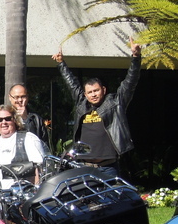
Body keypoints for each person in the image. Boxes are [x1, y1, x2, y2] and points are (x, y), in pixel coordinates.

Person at [52, 39, 141, 176]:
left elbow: (130, 82)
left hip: (107, 167)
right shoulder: (82, 104)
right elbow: (71, 84)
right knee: (84, 198)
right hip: (83, 166)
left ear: (103, 90)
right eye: (90, 92)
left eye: (96, 90)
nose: (93, 94)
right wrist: (61, 63)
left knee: (109, 198)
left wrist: (135, 58)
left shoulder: (115, 103)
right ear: (85, 94)